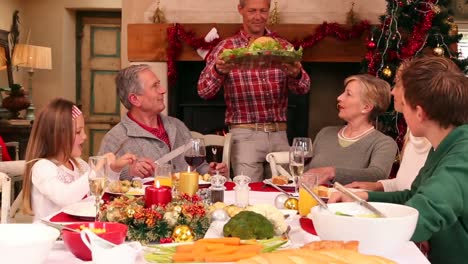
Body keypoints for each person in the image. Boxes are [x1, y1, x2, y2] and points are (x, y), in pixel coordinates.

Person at [329, 56, 468, 264]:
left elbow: (421, 216)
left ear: (420, 113)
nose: (395, 95)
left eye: (405, 108)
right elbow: (412, 197)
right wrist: (362, 199)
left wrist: (349, 227)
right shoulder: (444, 146)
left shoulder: (463, 154)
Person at [197, 0, 311, 182]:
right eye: (252, 11)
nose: (258, 17)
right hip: (245, 135)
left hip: (279, 134)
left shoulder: (282, 47)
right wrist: (218, 71)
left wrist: (296, 74)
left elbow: (304, 88)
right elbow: (203, 91)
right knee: (247, 193)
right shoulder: (227, 48)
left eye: (263, 11)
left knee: (286, 191)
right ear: (240, 10)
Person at [99, 64, 227, 180]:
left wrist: (211, 172)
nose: (163, 90)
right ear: (135, 99)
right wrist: (129, 172)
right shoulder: (114, 138)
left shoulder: (177, 125)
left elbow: (199, 167)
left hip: (189, 203)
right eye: (155, 86)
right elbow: (101, 178)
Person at [21, 98, 136, 221]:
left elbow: (98, 196)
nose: (85, 136)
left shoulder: (80, 165)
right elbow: (65, 198)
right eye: (78, 132)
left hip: (77, 231)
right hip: (50, 236)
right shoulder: (42, 168)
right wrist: (95, 171)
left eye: (83, 130)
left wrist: (113, 169)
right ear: (57, 136)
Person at [347, 60, 432, 192]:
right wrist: (377, 186)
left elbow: (415, 196)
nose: (392, 92)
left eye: (397, 85)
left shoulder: (434, 139)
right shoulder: (412, 132)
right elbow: (403, 185)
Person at [303, 74, 398, 185]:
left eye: (348, 94)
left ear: (366, 107)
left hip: (348, 202)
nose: (339, 97)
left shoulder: (384, 143)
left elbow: (377, 175)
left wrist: (332, 172)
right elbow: (306, 171)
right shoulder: (325, 133)